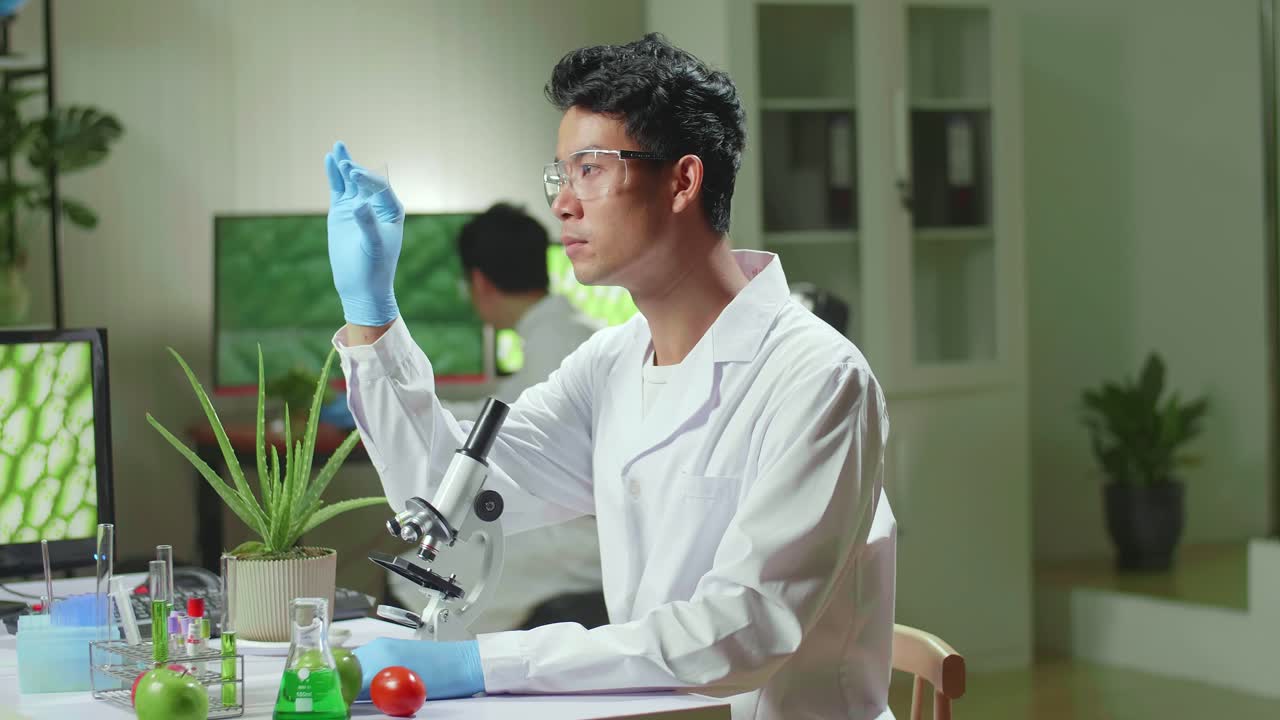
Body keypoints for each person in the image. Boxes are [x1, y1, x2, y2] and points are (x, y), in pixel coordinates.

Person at [326, 33, 896, 720]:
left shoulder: (820, 379)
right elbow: (446, 496)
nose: (562, 204)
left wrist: (484, 663)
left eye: (590, 170)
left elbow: (741, 630)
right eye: (559, 175)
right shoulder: (611, 363)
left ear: (684, 181)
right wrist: (372, 318)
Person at [385, 202, 606, 633]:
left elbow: (507, 435)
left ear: (479, 282)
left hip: (580, 538)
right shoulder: (562, 330)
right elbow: (511, 412)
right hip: (576, 520)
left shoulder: (556, 340)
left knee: (417, 581)